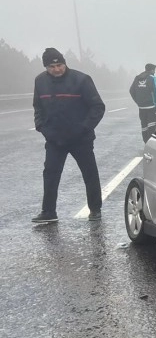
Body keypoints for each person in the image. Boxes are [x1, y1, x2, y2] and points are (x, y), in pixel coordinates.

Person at [32, 48, 106, 223]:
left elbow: (98, 107)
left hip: (81, 139)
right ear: (46, 67)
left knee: (89, 174)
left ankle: (95, 209)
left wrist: (84, 128)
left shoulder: (82, 80)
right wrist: (41, 127)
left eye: (60, 65)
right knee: (50, 174)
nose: (57, 69)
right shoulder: (40, 81)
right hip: (54, 140)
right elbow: (38, 107)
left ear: (65, 63)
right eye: (52, 66)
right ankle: (48, 212)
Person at [129, 63, 156, 143]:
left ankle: (145, 142)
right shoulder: (153, 78)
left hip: (141, 107)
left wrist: (138, 102)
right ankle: (150, 144)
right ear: (152, 70)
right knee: (152, 126)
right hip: (151, 107)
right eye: (154, 70)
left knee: (144, 126)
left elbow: (131, 91)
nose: (155, 72)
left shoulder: (137, 78)